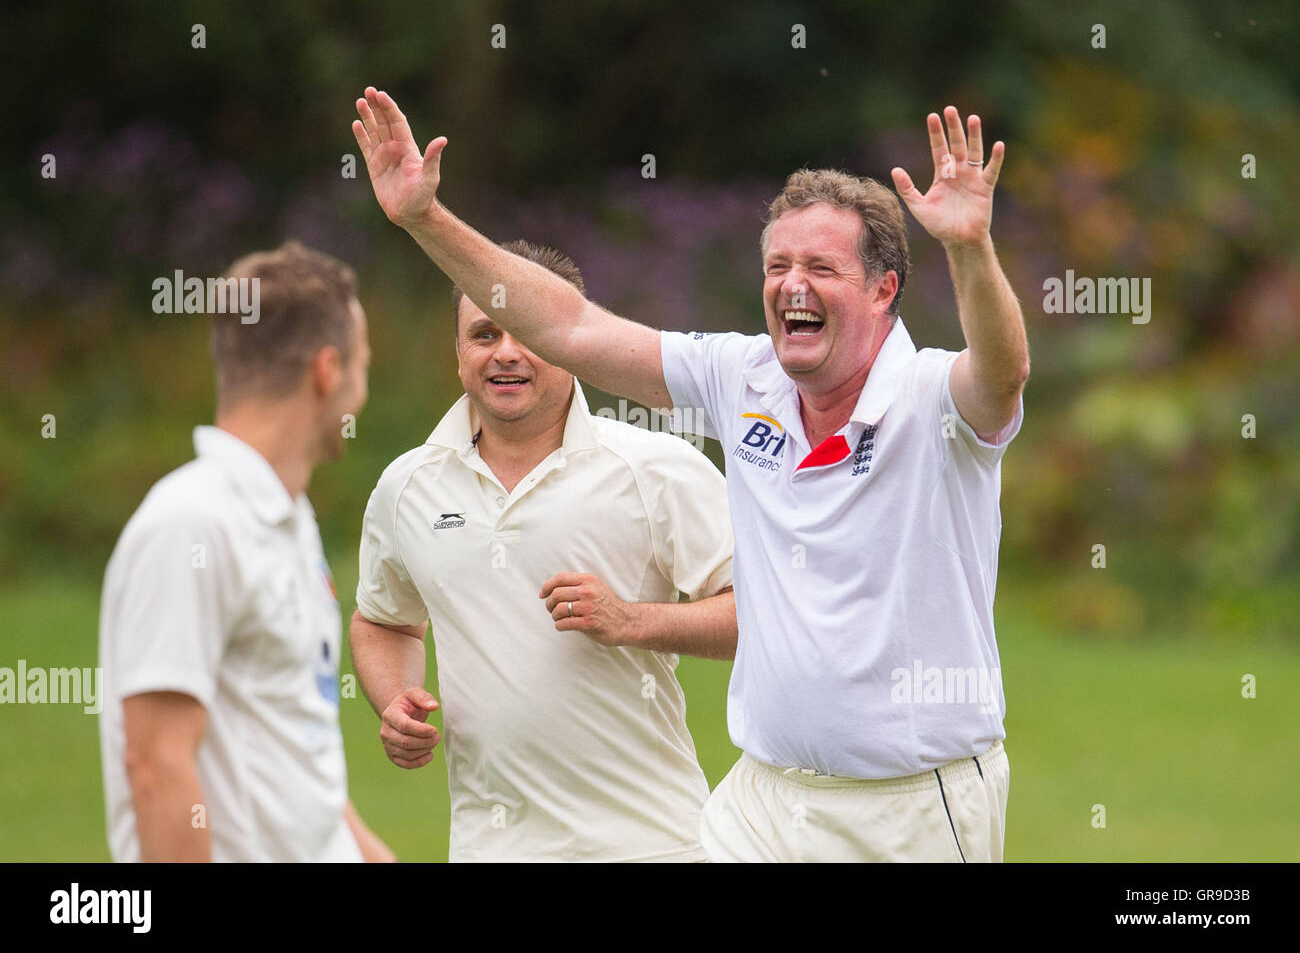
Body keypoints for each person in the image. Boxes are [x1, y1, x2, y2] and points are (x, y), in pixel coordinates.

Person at [351, 87, 1028, 862]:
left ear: (884, 289)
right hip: (762, 799)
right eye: (778, 265)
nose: (791, 284)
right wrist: (423, 218)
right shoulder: (744, 379)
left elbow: (1003, 373)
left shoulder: (934, 399)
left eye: (820, 267)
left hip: (912, 806)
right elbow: (570, 325)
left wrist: (970, 246)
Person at [350, 238, 736, 862]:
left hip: (653, 846)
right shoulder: (406, 486)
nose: (507, 352)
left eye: (528, 331)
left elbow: (764, 616)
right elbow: (383, 621)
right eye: (483, 334)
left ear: (570, 343)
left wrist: (635, 620)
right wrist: (394, 701)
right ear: (457, 353)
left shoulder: (656, 468)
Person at [99, 241, 394, 862]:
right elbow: (156, 769)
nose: (364, 389)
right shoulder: (190, 525)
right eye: (364, 365)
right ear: (327, 370)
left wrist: (368, 852)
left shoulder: (290, 518)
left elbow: (287, 725)